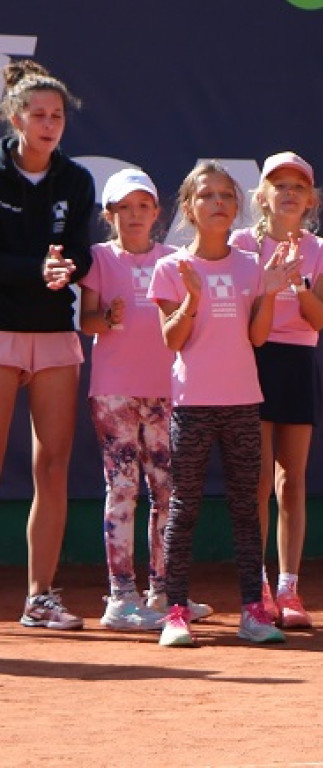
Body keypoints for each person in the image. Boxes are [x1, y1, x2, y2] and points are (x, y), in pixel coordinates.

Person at [147, 160, 297, 646]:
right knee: (184, 508)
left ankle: (254, 610)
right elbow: (174, 341)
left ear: (236, 209)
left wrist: (270, 292)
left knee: (244, 508)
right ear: (189, 207)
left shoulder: (251, 267)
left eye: (226, 197)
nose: (218, 204)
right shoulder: (172, 267)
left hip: (242, 403)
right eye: (207, 196)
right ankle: (175, 613)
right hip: (192, 405)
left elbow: (256, 336)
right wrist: (192, 300)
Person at [80, 168, 214, 631]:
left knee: (168, 491)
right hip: (114, 393)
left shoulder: (175, 260)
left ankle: (163, 593)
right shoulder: (99, 258)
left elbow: (188, 322)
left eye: (142, 206)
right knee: (122, 489)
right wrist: (107, 316)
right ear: (110, 214)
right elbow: (88, 323)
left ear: (156, 213)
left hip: (167, 391)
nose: (134, 215)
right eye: (124, 208)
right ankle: (121, 598)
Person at [0, 60, 93, 630]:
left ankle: (41, 598)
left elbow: (80, 252)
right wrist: (38, 268)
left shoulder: (76, 181)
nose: (49, 124)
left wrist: (67, 271)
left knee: (53, 468)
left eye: (57, 116)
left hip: (56, 336)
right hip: (1, 334)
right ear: (16, 119)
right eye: (39, 115)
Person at [230, 152, 323, 628]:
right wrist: (270, 287)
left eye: (299, 186)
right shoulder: (238, 244)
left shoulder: (322, 249)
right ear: (263, 197)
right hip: (250, 360)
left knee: (290, 481)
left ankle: (289, 589)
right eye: (280, 184)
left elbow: (319, 318)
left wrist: (297, 282)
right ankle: (257, 587)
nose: (290, 192)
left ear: (311, 199)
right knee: (255, 483)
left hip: (297, 363)